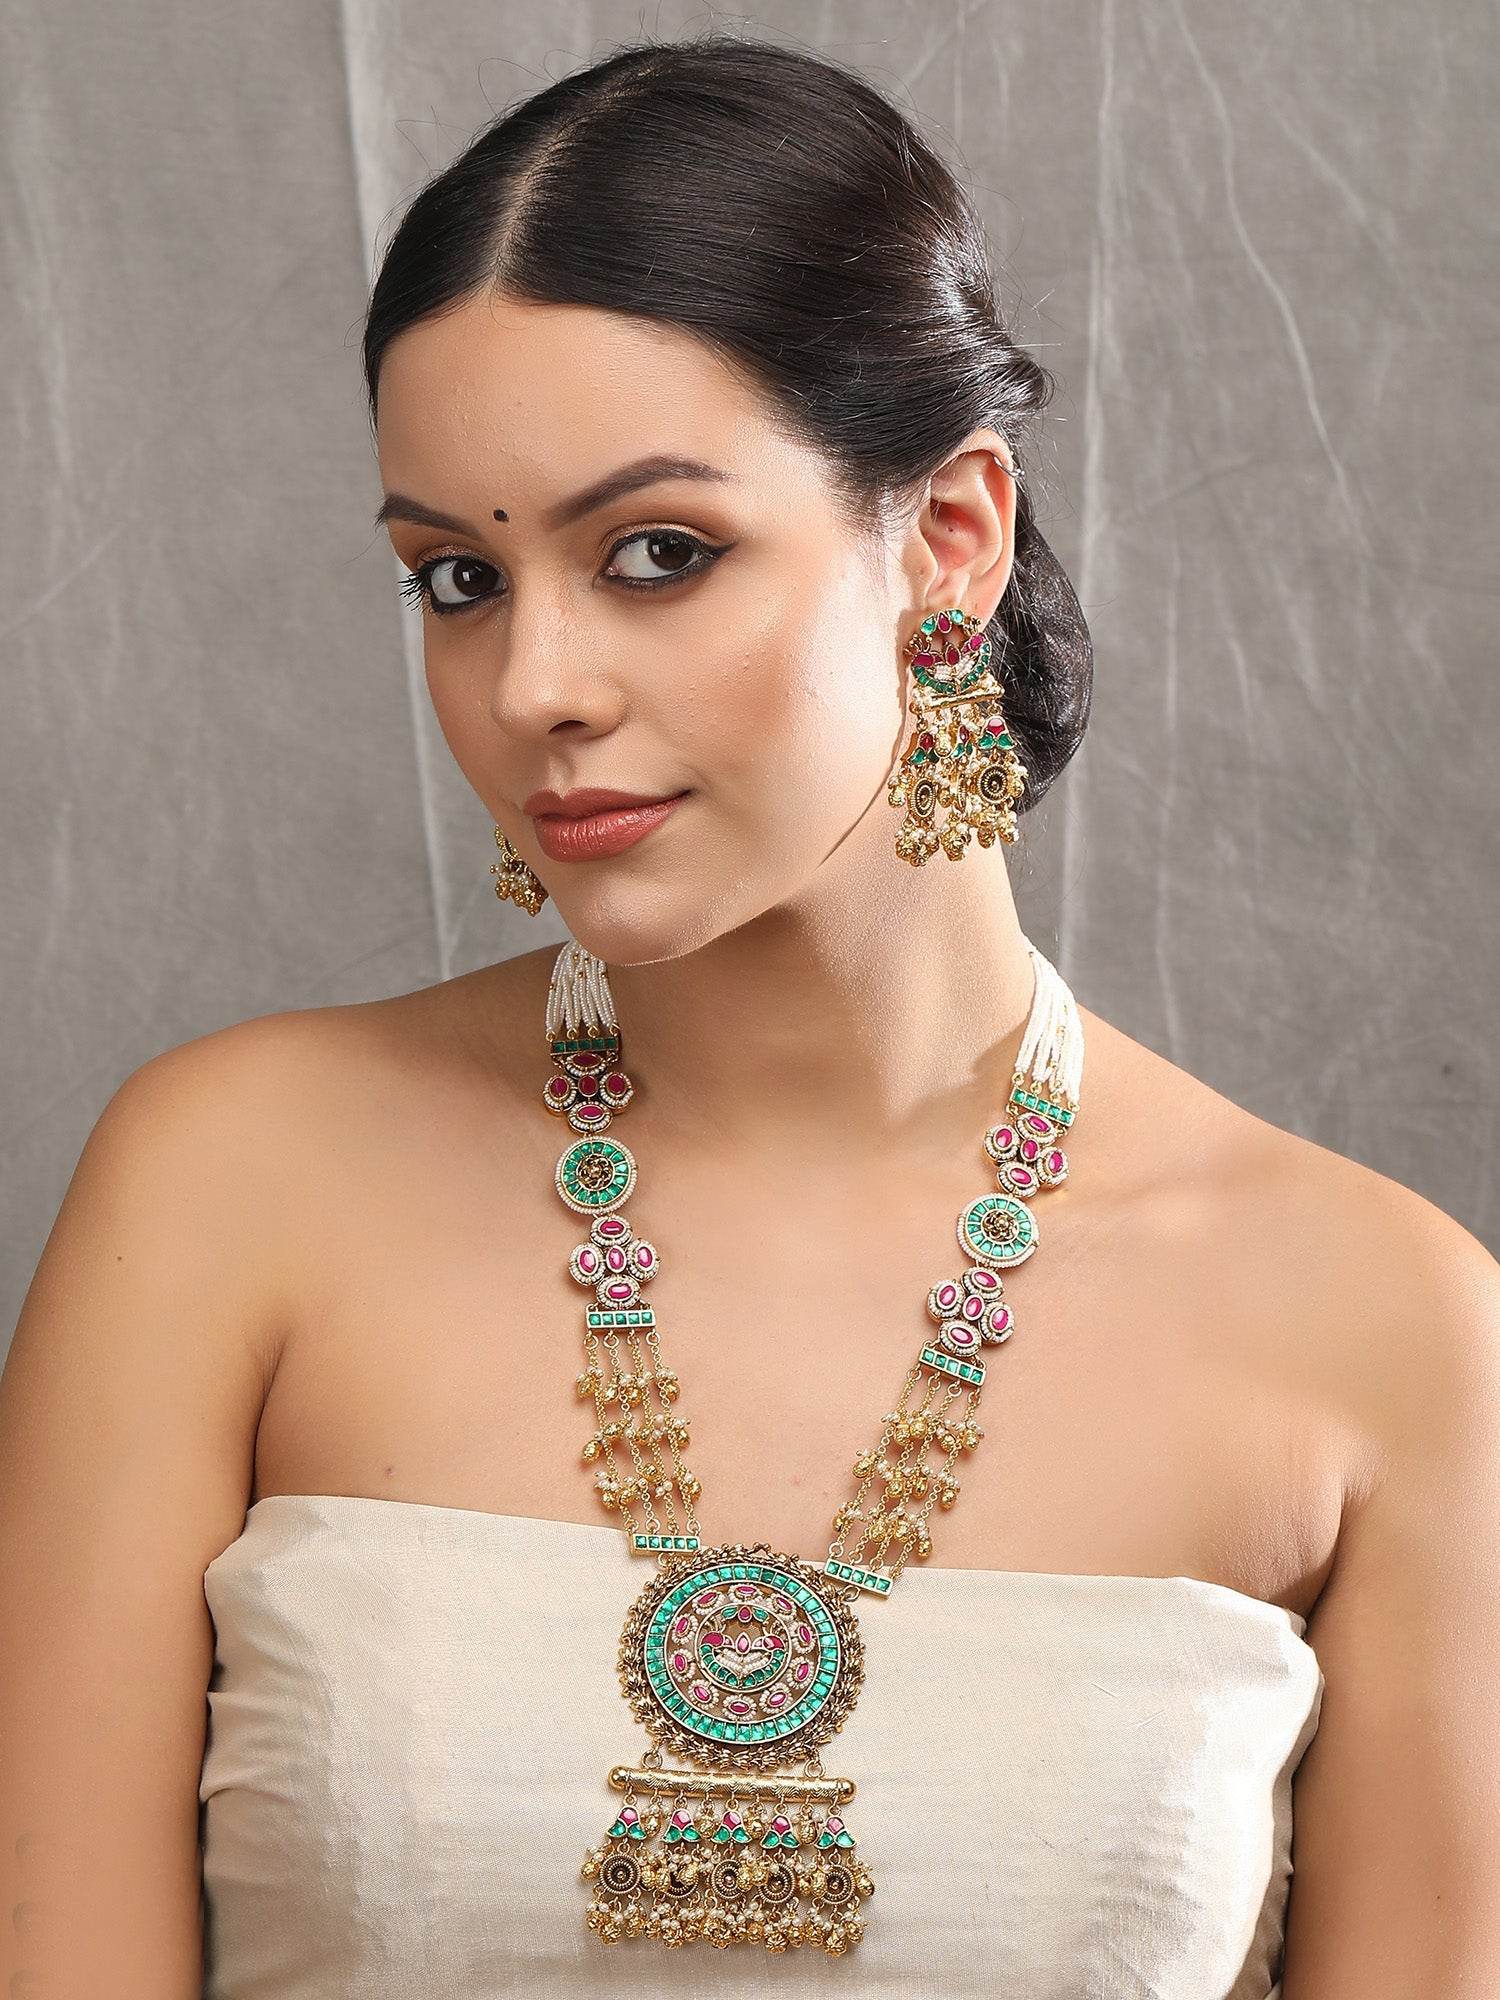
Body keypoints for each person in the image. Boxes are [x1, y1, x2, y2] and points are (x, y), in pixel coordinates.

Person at [2, 30, 1496, 2000]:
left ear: (948, 538)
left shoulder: (1386, 1327)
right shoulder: (226, 1188)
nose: (532, 683)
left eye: (658, 554)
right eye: (456, 578)